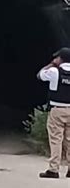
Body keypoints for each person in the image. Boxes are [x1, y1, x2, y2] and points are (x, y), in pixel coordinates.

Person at [37, 47, 70, 179]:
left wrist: (52, 64)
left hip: (57, 109)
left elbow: (40, 75)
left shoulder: (54, 71)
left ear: (60, 59)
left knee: (56, 139)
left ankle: (53, 169)